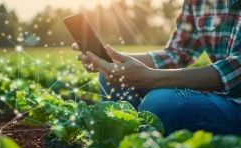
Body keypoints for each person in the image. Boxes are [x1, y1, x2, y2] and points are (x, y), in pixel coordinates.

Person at [71, 0, 241, 136]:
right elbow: (177, 53)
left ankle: (145, 141)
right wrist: (113, 59)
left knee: (159, 104)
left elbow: (236, 68)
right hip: (223, 94)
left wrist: (151, 77)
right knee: (114, 79)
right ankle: (132, 141)